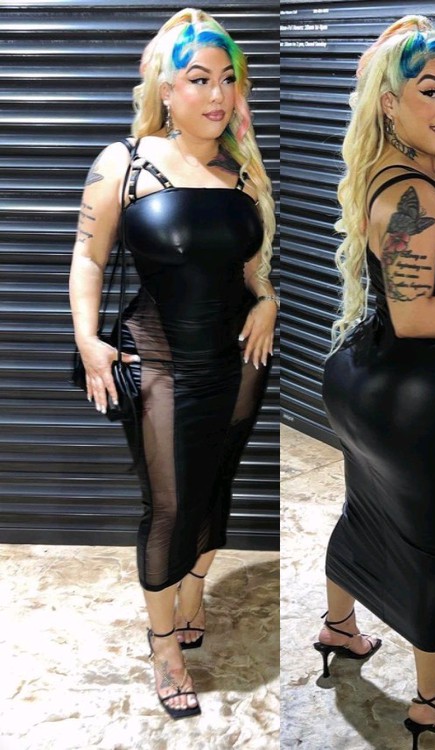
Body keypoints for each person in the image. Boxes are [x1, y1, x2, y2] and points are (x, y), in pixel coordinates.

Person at [69, 8, 277, 720]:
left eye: (228, 79)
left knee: (216, 486)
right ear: (165, 88)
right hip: (157, 357)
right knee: (169, 506)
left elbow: (251, 270)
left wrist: (268, 301)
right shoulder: (125, 162)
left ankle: (191, 596)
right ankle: (164, 648)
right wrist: (87, 339)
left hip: (239, 358)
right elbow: (88, 257)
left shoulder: (241, 173)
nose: (217, 94)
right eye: (198, 79)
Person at [317, 15, 435, 748]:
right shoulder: (413, 197)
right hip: (419, 400)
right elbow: (413, 311)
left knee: (364, 510)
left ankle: (338, 627)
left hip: (366, 383)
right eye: (430, 91)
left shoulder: (399, 173)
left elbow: (427, 242)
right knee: (433, 551)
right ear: (390, 103)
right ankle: (430, 707)